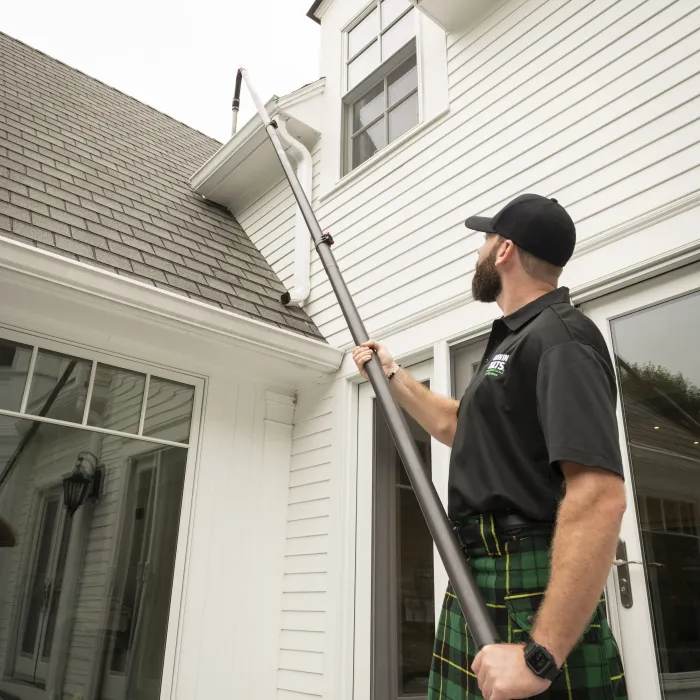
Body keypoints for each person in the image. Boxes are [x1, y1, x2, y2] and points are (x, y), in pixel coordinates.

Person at [352, 194, 628, 700]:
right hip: (480, 570)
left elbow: (598, 495)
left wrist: (541, 656)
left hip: (526, 578)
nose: (478, 253)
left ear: (503, 250)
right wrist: (392, 375)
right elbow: (457, 425)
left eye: (484, 241)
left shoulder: (562, 338)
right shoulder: (513, 342)